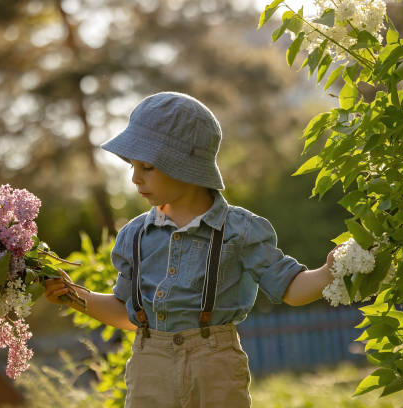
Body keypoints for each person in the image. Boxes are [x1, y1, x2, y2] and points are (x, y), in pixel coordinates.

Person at [45, 92, 336, 407]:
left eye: (147, 166)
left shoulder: (240, 230)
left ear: (185, 166)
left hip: (215, 367)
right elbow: (127, 313)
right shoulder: (135, 235)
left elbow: (290, 289)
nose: (134, 178)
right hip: (149, 367)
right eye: (132, 165)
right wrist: (71, 295)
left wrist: (329, 272)